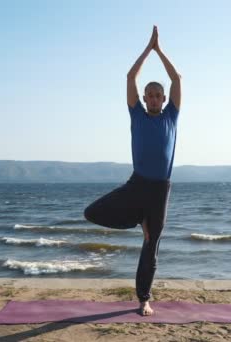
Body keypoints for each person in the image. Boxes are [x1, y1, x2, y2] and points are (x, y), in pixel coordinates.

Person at [83, 25, 181, 316]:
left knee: (151, 245)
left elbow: (177, 78)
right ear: (144, 98)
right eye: (148, 94)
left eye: (156, 95)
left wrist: (160, 51)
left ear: (163, 99)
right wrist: (147, 49)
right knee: (92, 213)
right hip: (137, 184)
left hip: (160, 189)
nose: (152, 98)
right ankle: (138, 218)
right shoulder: (136, 114)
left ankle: (144, 299)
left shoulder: (172, 117)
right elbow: (130, 77)